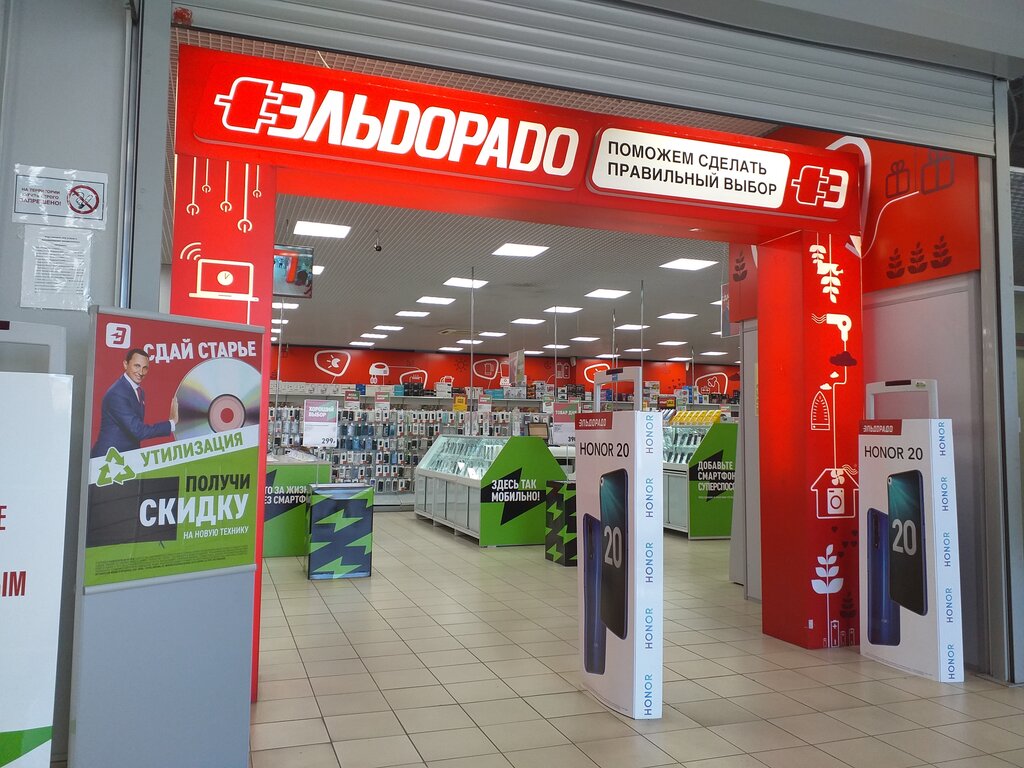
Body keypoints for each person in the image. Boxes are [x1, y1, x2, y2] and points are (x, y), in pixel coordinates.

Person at [90, 348, 178, 458]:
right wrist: (171, 423)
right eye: (137, 366)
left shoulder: (139, 391)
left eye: (145, 368)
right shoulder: (118, 393)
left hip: (124, 457)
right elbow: (138, 430)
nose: (141, 372)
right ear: (125, 364)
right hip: (108, 459)